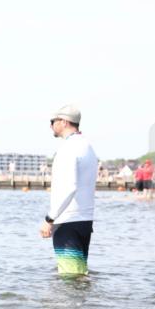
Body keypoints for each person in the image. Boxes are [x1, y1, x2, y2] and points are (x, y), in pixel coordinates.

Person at [39, 105, 97, 276]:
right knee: (80, 276)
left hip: (67, 221)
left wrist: (50, 218)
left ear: (64, 122)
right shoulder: (87, 146)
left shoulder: (68, 148)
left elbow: (69, 187)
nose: (51, 125)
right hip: (85, 220)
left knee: (70, 278)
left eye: (53, 121)